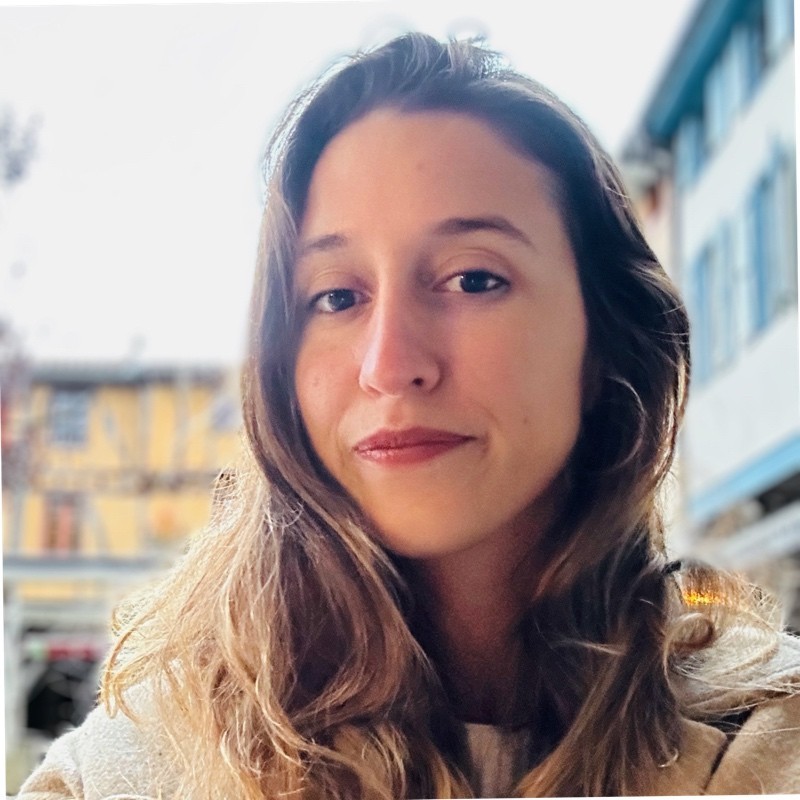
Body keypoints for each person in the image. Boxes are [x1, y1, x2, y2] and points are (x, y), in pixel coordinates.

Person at [19, 32, 800, 799]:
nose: (389, 364)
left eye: (472, 280)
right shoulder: (122, 775)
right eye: (335, 297)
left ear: (603, 343)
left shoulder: (767, 748)